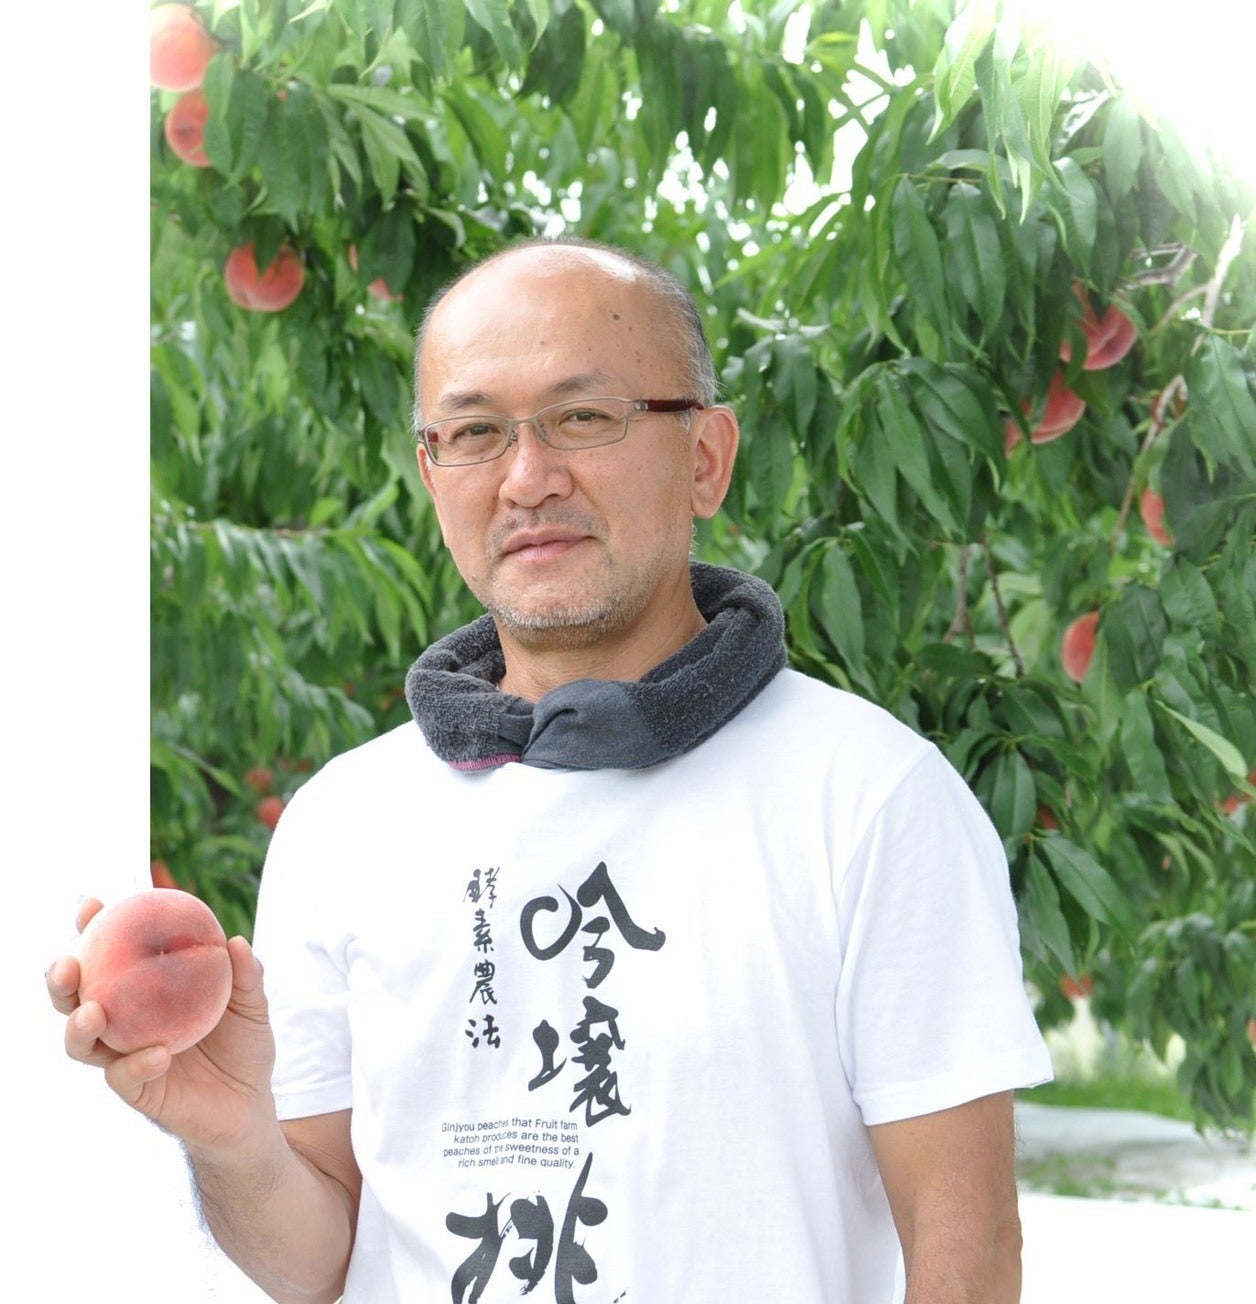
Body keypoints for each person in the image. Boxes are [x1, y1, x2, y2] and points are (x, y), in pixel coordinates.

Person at [50, 237, 1053, 1303]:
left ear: (706, 457)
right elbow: (319, 1263)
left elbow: (968, 1248)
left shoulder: (869, 796)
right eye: (475, 432)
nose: (528, 478)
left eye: (584, 417)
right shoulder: (343, 820)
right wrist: (232, 1137)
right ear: (432, 474)